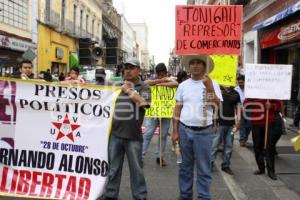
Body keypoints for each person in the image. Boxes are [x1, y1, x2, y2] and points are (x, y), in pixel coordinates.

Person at [173, 55, 222, 200]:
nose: (195, 66)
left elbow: (218, 106)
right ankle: (185, 195)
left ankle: (204, 196)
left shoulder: (212, 84)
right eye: (192, 63)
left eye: (199, 63)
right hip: (184, 130)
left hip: (204, 132)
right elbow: (177, 109)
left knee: (204, 168)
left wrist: (209, 88)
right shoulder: (183, 85)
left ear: (204, 66)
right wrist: (175, 131)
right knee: (184, 167)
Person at [103, 57, 150, 200]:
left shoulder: (144, 87)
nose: (128, 71)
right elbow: (96, 90)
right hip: (115, 134)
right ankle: (110, 195)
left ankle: (140, 196)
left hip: (133, 136)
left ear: (139, 71)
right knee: (113, 169)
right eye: (126, 68)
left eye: (131, 68)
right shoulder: (117, 85)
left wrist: (129, 91)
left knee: (136, 170)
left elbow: (143, 103)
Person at [142, 63, 178, 166]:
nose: (161, 76)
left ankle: (160, 156)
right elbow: (145, 83)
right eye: (159, 75)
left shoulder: (171, 80)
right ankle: (141, 156)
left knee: (162, 136)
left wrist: (161, 84)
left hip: (166, 113)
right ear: (156, 74)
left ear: (166, 73)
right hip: (154, 112)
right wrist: (159, 81)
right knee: (148, 134)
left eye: (163, 74)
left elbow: (175, 84)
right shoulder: (152, 80)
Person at [244, 98, 282, 180]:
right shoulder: (253, 92)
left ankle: (271, 171)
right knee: (257, 146)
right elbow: (246, 104)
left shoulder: (270, 92)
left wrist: (271, 106)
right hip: (256, 122)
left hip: (270, 122)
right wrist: (256, 104)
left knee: (270, 147)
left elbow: (279, 105)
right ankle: (261, 168)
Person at [211, 86, 241, 175]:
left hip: (231, 125)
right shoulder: (218, 92)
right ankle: (210, 164)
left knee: (229, 145)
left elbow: (238, 108)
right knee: (214, 145)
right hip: (219, 124)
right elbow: (213, 106)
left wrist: (238, 121)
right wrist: (215, 121)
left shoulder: (236, 94)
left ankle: (226, 165)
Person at [235, 75, 252, 147]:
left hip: (249, 110)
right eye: (239, 82)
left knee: (249, 125)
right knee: (242, 125)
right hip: (239, 109)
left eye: (242, 82)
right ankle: (242, 140)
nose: (240, 84)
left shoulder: (249, 89)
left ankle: (245, 138)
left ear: (245, 82)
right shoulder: (236, 89)